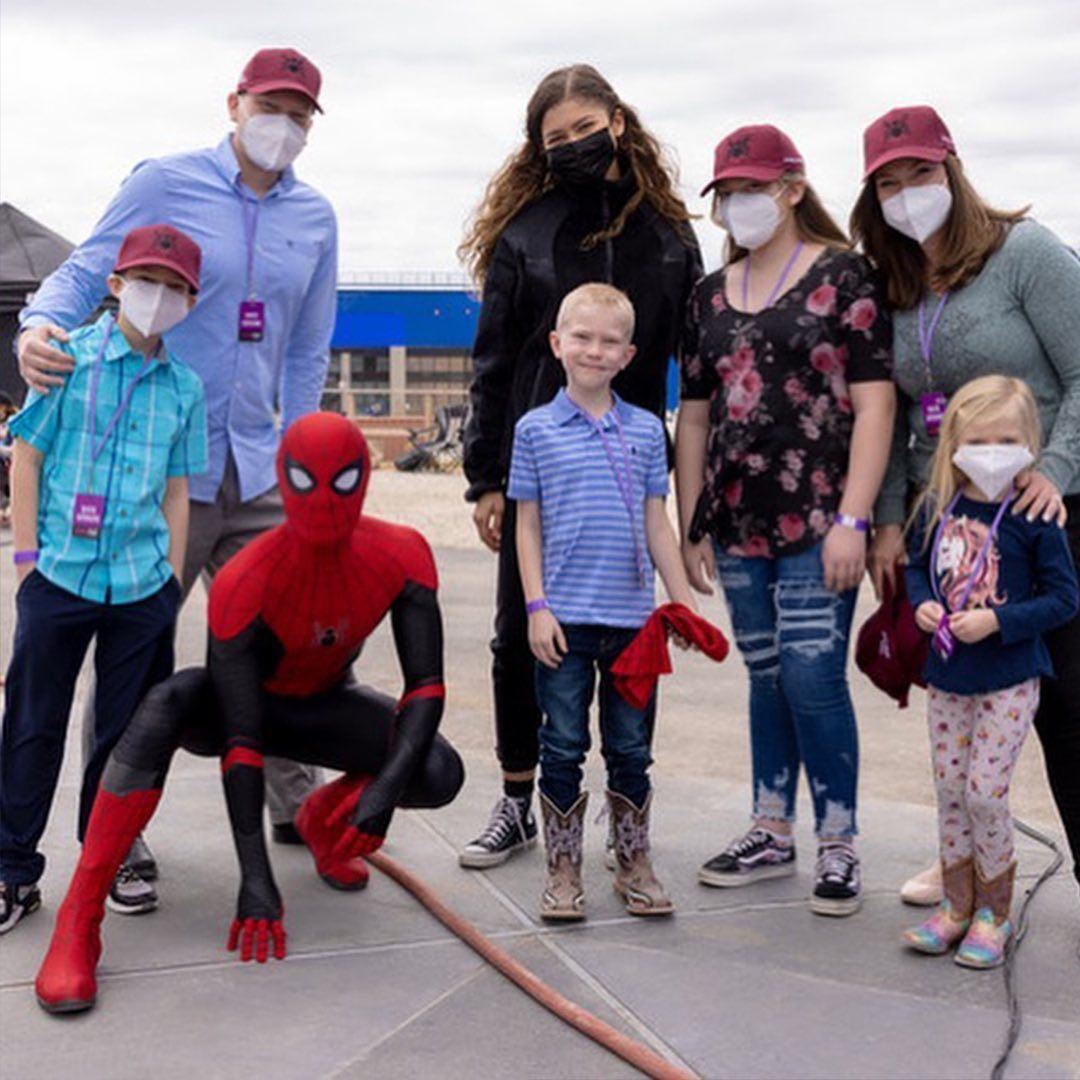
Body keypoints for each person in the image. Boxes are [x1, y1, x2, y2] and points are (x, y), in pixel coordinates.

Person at [15, 47, 338, 884]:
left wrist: (303, 460)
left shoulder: (317, 220)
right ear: (233, 103)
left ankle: (293, 798)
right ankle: (118, 830)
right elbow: (89, 266)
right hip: (161, 476)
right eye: (272, 105)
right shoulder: (166, 182)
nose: (284, 125)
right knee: (135, 659)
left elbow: (307, 350)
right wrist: (36, 326)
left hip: (261, 469)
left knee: (286, 640)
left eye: (300, 114)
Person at [33, 412, 465, 1014]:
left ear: (364, 480)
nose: (323, 502)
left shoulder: (402, 554)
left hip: (325, 704)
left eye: (340, 483)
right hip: (241, 710)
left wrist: (385, 789)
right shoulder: (245, 577)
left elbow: (426, 687)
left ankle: (320, 818)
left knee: (439, 771)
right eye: (306, 482)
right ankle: (81, 911)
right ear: (283, 483)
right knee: (165, 703)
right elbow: (241, 743)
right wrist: (254, 876)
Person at [458, 63, 702, 868]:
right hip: (540, 457)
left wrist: (696, 496)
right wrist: (486, 475)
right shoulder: (524, 231)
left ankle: (627, 814)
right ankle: (519, 798)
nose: (571, 146)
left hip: (631, 461)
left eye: (582, 129)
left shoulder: (670, 237)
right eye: (553, 138)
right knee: (520, 636)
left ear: (617, 122)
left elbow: (698, 371)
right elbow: (492, 360)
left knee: (633, 641)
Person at [852, 105, 1080, 907]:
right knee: (959, 709)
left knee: (1067, 707)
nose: (908, 191)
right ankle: (969, 867)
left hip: (1045, 512)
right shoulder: (898, 284)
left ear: (952, 168)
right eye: (889, 181)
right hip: (949, 521)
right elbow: (898, 413)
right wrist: (891, 519)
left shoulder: (1027, 255)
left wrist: (1054, 467)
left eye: (920, 173)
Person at [677, 124, 895, 917]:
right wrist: (690, 517)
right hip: (736, 523)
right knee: (765, 674)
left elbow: (876, 405)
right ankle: (772, 829)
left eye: (753, 189)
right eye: (727, 193)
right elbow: (693, 418)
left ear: (792, 189)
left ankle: (839, 839)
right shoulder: (706, 296)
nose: (739, 205)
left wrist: (855, 517)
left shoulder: (847, 276)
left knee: (812, 673)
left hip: (820, 520)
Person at [0, 225, 207, 935]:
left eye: (175, 288)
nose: (159, 297)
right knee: (33, 725)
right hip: (58, 577)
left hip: (141, 586)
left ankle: (108, 855)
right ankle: (13, 868)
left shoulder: (184, 388)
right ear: (115, 286)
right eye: (146, 282)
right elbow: (24, 460)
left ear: (191, 301)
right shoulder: (68, 362)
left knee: (124, 736)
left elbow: (178, 489)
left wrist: (171, 584)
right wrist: (27, 567)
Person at [509, 284, 698, 920]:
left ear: (629, 354)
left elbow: (657, 521)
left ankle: (632, 857)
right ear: (558, 344)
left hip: (632, 626)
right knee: (561, 743)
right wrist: (536, 607)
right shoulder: (534, 431)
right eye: (582, 338)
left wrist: (679, 602)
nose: (595, 350)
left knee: (630, 748)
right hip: (562, 622)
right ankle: (563, 866)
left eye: (609, 341)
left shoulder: (647, 433)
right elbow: (526, 525)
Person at [901, 376, 1077, 966]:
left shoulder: (1035, 515)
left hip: (1009, 676)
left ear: (1030, 440)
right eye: (980, 438)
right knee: (950, 790)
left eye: (1008, 437)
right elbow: (918, 570)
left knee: (984, 793)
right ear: (954, 440)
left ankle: (993, 914)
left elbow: (1063, 599)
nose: (994, 449)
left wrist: (1000, 623)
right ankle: (955, 904)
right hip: (949, 675)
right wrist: (924, 603)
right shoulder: (935, 506)